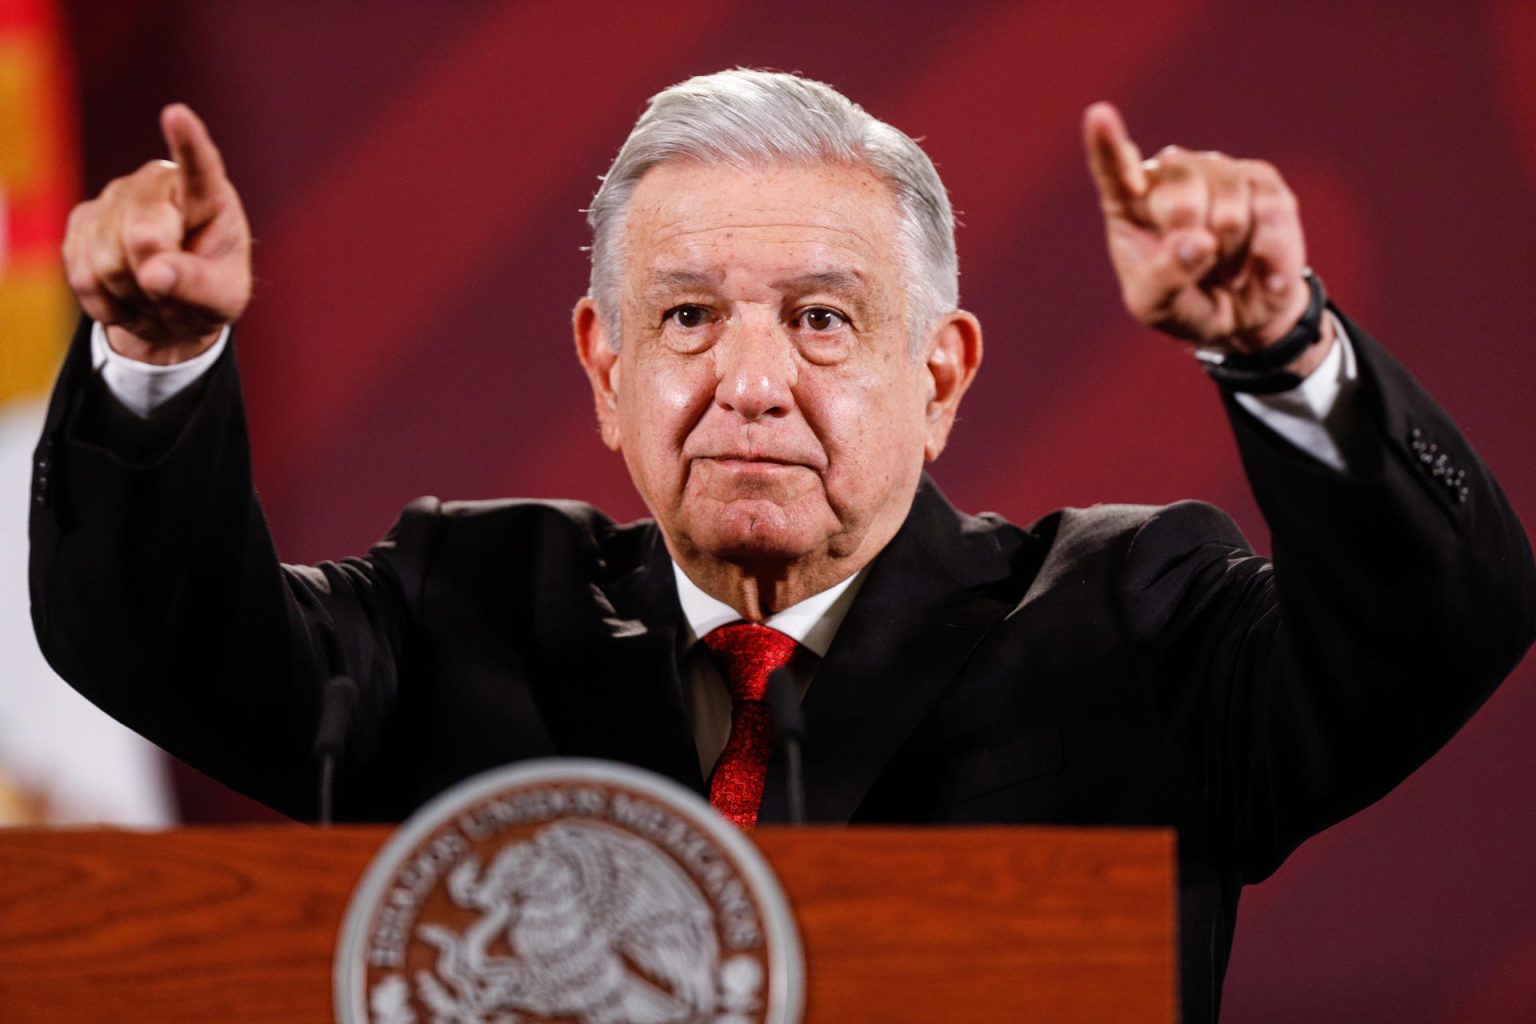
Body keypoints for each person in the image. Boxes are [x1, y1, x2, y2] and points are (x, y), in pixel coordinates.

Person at [32, 70, 1535, 1021]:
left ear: (938, 374)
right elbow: (162, 641)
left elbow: (1441, 623)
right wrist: (154, 365)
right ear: (604, 366)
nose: (752, 381)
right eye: (687, 318)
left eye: (823, 319)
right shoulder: (463, 608)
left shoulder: (1133, 622)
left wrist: (1285, 353)